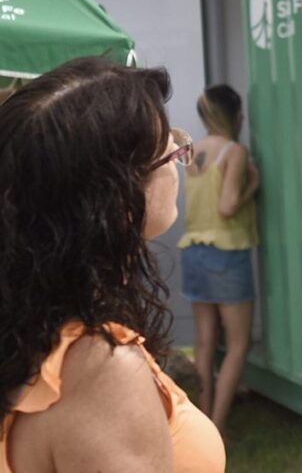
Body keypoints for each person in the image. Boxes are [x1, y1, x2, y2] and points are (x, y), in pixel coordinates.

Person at [0, 57, 225, 472]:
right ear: (116, 203)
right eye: (168, 152)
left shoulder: (28, 322)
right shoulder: (102, 372)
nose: (180, 157)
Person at [178, 84, 260, 434]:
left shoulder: (192, 152)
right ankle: (217, 428)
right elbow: (227, 206)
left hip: (193, 252)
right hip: (226, 254)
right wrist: (253, 186)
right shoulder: (234, 151)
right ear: (235, 114)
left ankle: (200, 421)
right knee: (238, 343)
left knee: (205, 342)